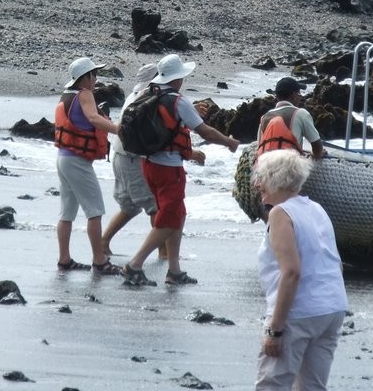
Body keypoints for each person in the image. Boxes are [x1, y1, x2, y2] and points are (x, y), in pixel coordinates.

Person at [120, 53, 239, 286]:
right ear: (178, 78)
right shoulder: (178, 101)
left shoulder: (148, 93)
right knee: (167, 220)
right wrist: (229, 142)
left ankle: (174, 270)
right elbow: (205, 132)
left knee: (178, 214)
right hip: (169, 169)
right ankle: (134, 265)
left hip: (148, 164)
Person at [252, 149, 347, 391]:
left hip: (299, 312)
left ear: (275, 178)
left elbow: (292, 272)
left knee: (272, 384)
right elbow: (335, 262)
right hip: (332, 307)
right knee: (313, 386)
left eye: (260, 178)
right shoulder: (316, 209)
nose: (257, 184)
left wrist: (275, 330)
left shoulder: (280, 213)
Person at [53, 57, 123, 275]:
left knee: (66, 213)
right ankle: (99, 261)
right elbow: (93, 118)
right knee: (95, 212)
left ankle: (64, 260)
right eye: (94, 75)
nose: (96, 79)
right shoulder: (84, 94)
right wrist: (119, 129)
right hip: (77, 162)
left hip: (63, 159)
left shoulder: (67, 96)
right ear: (85, 77)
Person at [101, 62, 166, 259]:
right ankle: (163, 252)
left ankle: (103, 242)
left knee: (129, 206)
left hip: (119, 156)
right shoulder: (148, 99)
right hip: (132, 160)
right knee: (155, 207)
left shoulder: (134, 95)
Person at [257, 77, 325, 161]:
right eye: (299, 94)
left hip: (266, 165)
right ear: (293, 96)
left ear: (277, 97)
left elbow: (259, 147)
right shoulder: (301, 113)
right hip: (291, 165)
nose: (300, 97)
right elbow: (317, 147)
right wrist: (316, 155)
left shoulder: (264, 117)